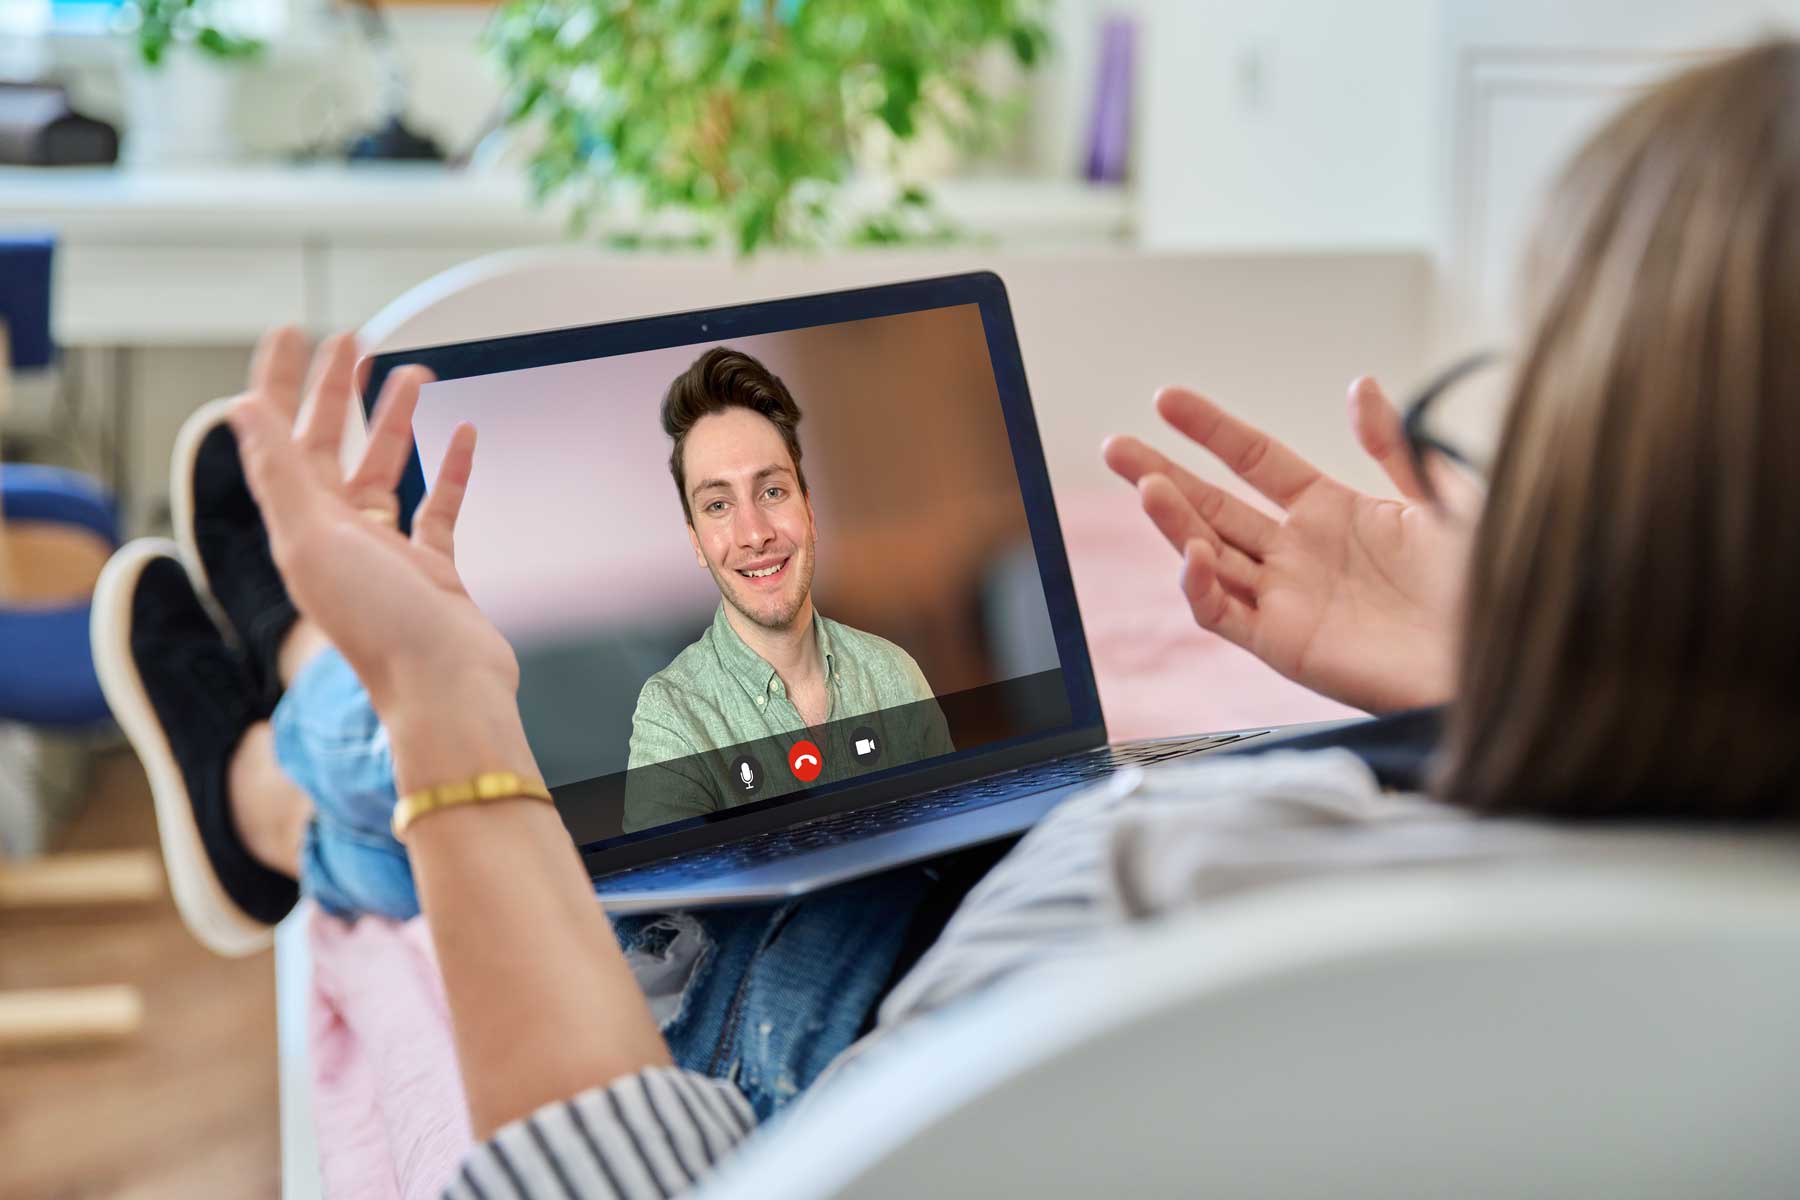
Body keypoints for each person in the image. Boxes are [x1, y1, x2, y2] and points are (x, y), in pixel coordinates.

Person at [92, 40, 1800, 1198]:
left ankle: (276, 754)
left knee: (531, 719)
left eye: (1537, 438)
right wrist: (1517, 686)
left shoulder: (1271, 966)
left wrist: (441, 700)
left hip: (832, 995)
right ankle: (287, 737)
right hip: (1057, 817)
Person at [622, 346, 953, 834]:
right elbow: (679, 909)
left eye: (772, 491)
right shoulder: (672, 715)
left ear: (809, 512)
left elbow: (953, 844)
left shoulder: (894, 674)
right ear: (696, 542)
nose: (755, 534)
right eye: (718, 505)